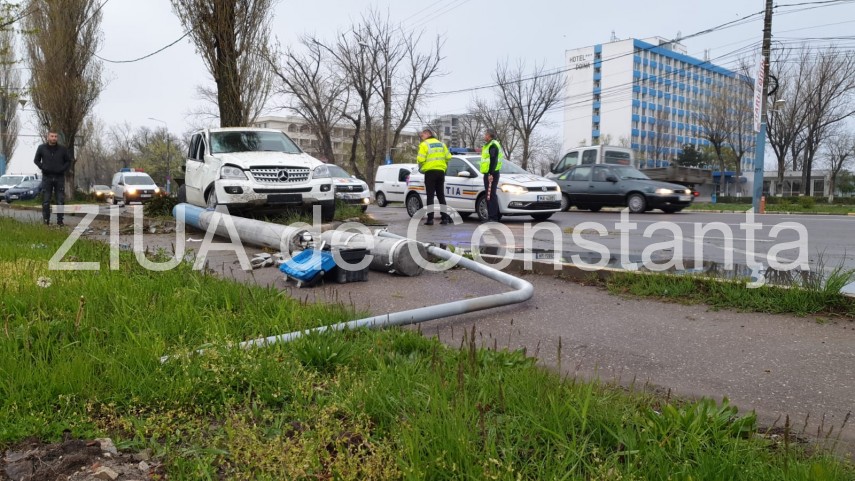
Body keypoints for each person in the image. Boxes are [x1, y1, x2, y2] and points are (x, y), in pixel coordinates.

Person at [33, 130, 72, 226]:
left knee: (60, 201)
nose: (54, 138)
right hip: (47, 177)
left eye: (55, 136)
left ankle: (60, 221)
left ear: (57, 138)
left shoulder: (62, 149)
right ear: (48, 137)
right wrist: (43, 167)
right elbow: (36, 160)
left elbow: (68, 161)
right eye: (52, 136)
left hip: (59, 178)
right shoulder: (42, 148)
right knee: (46, 201)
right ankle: (46, 221)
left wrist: (62, 169)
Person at [416, 127, 452, 225]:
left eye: (423, 135)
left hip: (430, 172)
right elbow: (448, 157)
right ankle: (444, 218)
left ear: (428, 134)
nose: (422, 137)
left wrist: (423, 163)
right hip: (441, 172)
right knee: (441, 195)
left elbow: (421, 159)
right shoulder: (441, 144)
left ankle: (430, 219)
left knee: (430, 196)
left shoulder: (424, 144)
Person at [481, 129, 504, 222]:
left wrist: (491, 173)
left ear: (489, 136)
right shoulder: (489, 145)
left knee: (491, 195)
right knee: (489, 195)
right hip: (489, 173)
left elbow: (493, 160)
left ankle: (493, 217)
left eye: (485, 135)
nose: (484, 136)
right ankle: (491, 216)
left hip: (491, 173)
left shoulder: (493, 145)